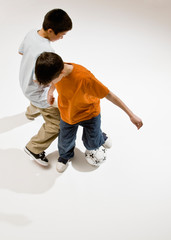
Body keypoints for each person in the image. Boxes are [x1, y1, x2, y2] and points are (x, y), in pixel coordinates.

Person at [35, 52, 143, 173]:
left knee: (92, 144)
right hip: (67, 114)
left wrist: (131, 115)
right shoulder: (56, 68)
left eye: (51, 81)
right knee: (64, 142)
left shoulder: (85, 78)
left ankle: (101, 137)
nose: (51, 84)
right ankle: (65, 157)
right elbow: (54, 82)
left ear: (61, 72)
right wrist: (50, 92)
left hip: (89, 114)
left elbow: (110, 95)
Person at [18, 9, 72, 166]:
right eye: (61, 35)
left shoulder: (31, 33)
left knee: (33, 100)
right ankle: (33, 148)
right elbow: (40, 81)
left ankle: (30, 113)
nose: (61, 38)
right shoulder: (47, 51)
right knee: (57, 123)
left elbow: (21, 52)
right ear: (50, 30)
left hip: (23, 83)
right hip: (36, 91)